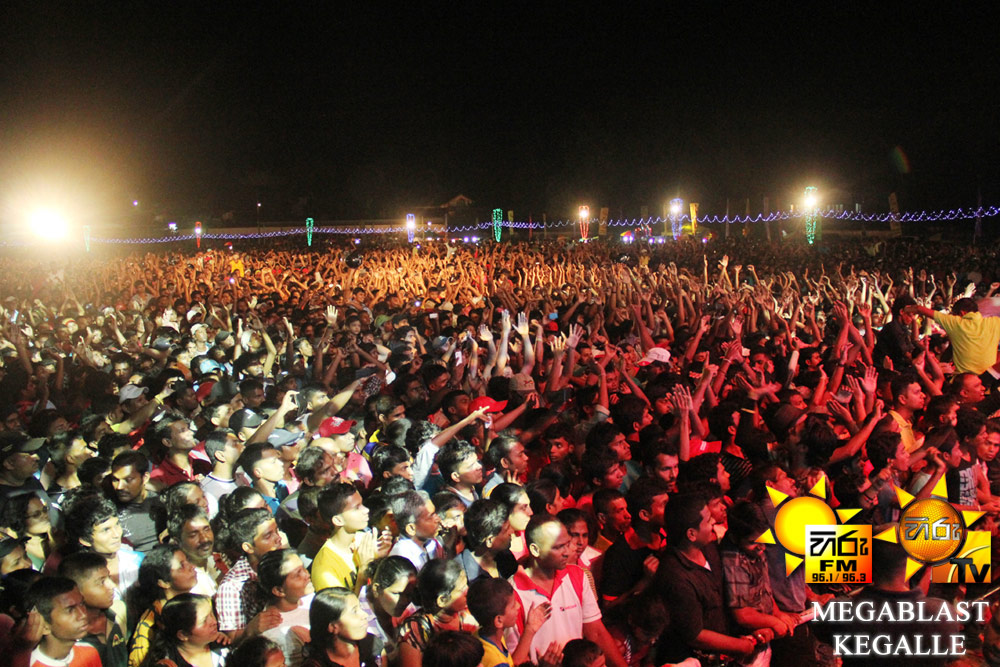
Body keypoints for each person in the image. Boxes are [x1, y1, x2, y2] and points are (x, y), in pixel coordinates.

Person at [654, 492, 760, 665]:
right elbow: (695, 635)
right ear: (691, 534)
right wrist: (740, 646)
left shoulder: (709, 549)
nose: (713, 522)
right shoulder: (676, 576)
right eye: (708, 519)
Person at [508, 514, 627, 667]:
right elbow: (514, 659)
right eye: (558, 547)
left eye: (567, 544)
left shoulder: (577, 576)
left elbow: (596, 633)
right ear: (535, 550)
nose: (567, 552)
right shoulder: (513, 593)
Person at [214, 507, 284, 638]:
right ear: (249, 547)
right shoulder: (232, 587)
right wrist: (251, 629)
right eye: (268, 536)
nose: (278, 538)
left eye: (277, 531)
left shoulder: (286, 562)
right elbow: (231, 637)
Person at [126, 544, 199, 667]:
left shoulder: (200, 603)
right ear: (163, 583)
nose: (192, 566)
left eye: (188, 561)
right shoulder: (148, 628)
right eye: (181, 566)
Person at [311, 483, 389, 593]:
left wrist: (380, 558)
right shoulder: (324, 568)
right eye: (356, 508)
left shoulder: (363, 539)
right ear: (338, 520)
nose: (366, 510)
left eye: (362, 504)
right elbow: (344, 605)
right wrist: (363, 570)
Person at [397, 558, 475, 667]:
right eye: (462, 590)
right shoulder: (415, 630)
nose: (468, 591)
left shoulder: (468, 615)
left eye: (466, 585)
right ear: (442, 600)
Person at [466, 575, 555, 667]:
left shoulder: (483, 635)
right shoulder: (497, 663)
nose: (518, 606)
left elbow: (513, 663)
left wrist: (530, 629)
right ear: (499, 620)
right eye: (513, 606)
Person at [59, 551, 128, 667]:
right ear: (76, 590)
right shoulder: (68, 635)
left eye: (109, 578)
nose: (111, 586)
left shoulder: (119, 612)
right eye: (101, 582)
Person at [907, 297, 1000, 376]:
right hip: (989, 376)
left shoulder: (955, 322)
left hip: (963, 378)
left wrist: (905, 310)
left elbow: (919, 309)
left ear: (962, 313)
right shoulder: (995, 322)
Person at [25, 576, 101, 667]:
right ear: (44, 626)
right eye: (70, 610)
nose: (83, 614)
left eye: (82, 604)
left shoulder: (89, 652)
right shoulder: (28, 664)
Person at [299, 586, 384, 667]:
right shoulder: (316, 664)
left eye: (360, 608)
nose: (365, 615)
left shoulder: (372, 645)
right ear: (333, 627)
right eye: (354, 611)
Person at [257, 549, 313, 667]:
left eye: (303, 568)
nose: (307, 575)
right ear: (279, 590)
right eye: (297, 575)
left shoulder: (309, 597)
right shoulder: (275, 633)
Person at [140, 593, 228, 667]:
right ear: (183, 635)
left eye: (211, 614)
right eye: (204, 621)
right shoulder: (168, 663)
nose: (214, 622)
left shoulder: (223, 647)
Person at [109, 451, 166, 553]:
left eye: (128, 480)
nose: (119, 487)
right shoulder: (109, 511)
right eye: (115, 480)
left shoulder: (164, 504)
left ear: (145, 478)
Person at [454, 499, 517, 581]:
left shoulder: (506, 558)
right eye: (506, 529)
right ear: (489, 540)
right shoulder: (459, 574)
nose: (512, 531)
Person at [387, 490, 443, 570]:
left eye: (435, 513)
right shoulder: (402, 559)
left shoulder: (431, 543)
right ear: (411, 528)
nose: (438, 519)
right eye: (431, 516)